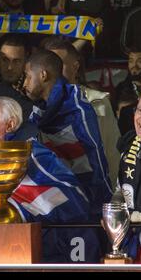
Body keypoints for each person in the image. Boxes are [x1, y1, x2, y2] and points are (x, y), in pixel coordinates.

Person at [0, 97, 99, 262]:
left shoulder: (33, 154)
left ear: (10, 125)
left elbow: (71, 196)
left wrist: (16, 210)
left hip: (33, 251)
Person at [23, 49, 112, 218]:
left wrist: (103, 206)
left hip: (89, 206)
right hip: (56, 205)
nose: (24, 84)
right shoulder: (38, 113)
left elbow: (96, 158)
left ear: (42, 75)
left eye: (27, 76)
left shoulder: (77, 108)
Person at [44, 37, 121, 189]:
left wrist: (114, 195)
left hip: (92, 190)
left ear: (75, 67)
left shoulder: (97, 101)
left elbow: (112, 151)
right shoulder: (35, 107)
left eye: (59, 65)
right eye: (49, 65)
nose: (53, 71)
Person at [117, 87, 141, 263]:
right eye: (140, 110)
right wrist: (114, 209)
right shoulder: (129, 145)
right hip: (132, 243)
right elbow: (120, 190)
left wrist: (132, 217)